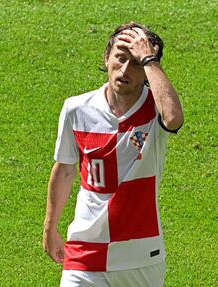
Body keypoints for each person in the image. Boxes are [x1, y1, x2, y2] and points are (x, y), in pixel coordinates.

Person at [43, 22, 184, 287]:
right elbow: (64, 169)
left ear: (147, 72)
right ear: (106, 58)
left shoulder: (156, 109)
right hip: (86, 249)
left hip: (140, 253)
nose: (125, 70)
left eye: (136, 63)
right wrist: (50, 227)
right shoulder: (76, 109)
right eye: (120, 58)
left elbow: (174, 119)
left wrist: (150, 59)